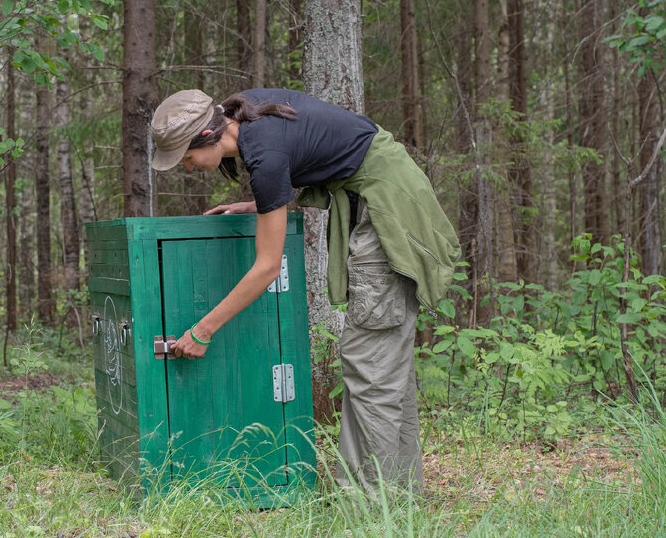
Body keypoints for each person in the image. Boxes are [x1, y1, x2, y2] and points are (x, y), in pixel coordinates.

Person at [149, 87, 459, 496]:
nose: (188, 167)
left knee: (370, 362)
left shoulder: (263, 153)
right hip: (385, 196)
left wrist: (202, 330)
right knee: (384, 365)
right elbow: (310, 147)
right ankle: (399, 493)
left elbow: (266, 269)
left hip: (388, 212)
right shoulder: (247, 116)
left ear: (207, 136)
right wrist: (262, 205)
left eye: (186, 158)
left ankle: (372, 504)